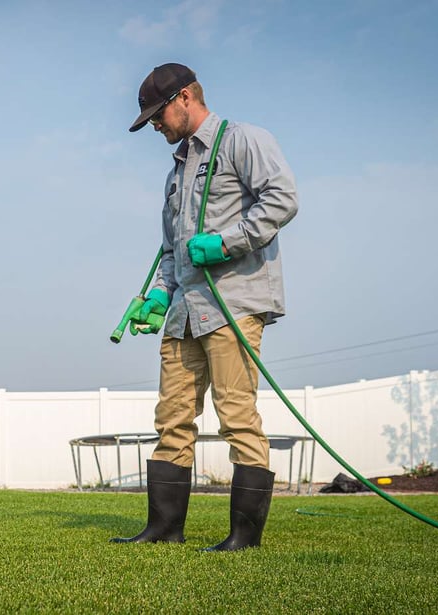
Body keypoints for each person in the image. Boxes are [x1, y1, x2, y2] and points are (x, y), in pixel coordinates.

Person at [112, 63, 298, 551]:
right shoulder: (176, 171)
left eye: (157, 115)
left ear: (185, 98)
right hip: (184, 312)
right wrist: (159, 292)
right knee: (171, 418)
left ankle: (243, 537)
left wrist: (225, 243)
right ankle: (163, 529)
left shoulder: (243, 140)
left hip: (234, 303)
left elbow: (282, 200)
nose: (155, 125)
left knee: (236, 416)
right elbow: (173, 249)